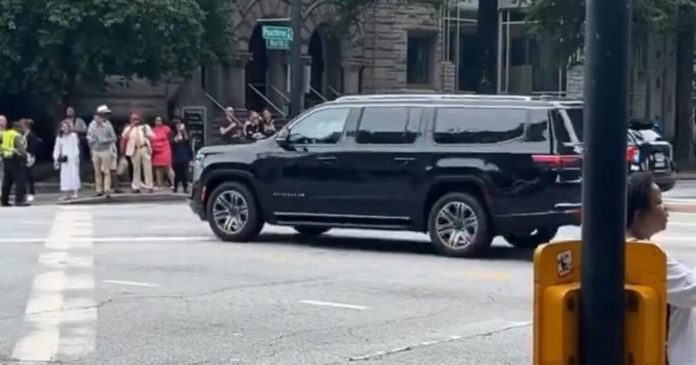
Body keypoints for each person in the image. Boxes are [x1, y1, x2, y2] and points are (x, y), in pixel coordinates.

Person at [625, 172, 695, 365]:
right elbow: (692, 290)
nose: (666, 208)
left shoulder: (620, 248)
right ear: (639, 216)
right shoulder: (646, 257)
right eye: (658, 202)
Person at [87, 107, 117, 197]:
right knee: (97, 171)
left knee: (106, 171)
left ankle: (107, 189)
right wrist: (91, 141)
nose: (96, 120)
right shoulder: (92, 125)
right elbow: (88, 136)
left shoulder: (107, 126)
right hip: (96, 150)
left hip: (105, 150)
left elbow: (114, 138)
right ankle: (99, 190)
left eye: (97, 118)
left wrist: (105, 140)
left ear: (101, 118)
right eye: (95, 118)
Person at [122, 111, 154, 193]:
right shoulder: (128, 128)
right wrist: (131, 127)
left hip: (144, 148)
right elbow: (124, 136)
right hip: (134, 149)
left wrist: (147, 135)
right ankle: (136, 187)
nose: (135, 120)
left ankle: (149, 186)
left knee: (147, 168)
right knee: (136, 169)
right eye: (133, 119)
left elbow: (153, 136)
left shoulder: (144, 127)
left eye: (136, 119)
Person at [1, 120, 28, 206]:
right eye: (20, 128)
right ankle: (18, 201)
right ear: (17, 128)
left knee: (7, 182)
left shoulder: (5, 134)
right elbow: (21, 150)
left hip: (6, 159)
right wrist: (25, 156)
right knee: (20, 181)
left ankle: (4, 201)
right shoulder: (16, 135)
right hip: (16, 160)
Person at [53, 120, 81, 200]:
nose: (64, 128)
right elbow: (57, 148)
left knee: (73, 175)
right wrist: (56, 159)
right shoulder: (60, 137)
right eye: (63, 127)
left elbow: (76, 148)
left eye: (66, 127)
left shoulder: (73, 136)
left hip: (72, 159)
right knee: (65, 176)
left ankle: (74, 192)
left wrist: (75, 157)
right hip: (64, 159)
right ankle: (67, 194)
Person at [21, 119, 42, 203]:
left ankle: (31, 193)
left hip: (29, 157)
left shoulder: (31, 135)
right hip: (24, 156)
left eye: (22, 125)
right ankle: (24, 193)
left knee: (30, 176)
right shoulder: (24, 134)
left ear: (25, 126)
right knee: (24, 176)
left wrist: (32, 157)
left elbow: (32, 147)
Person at [151, 116, 174, 188]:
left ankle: (173, 183)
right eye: (157, 120)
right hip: (156, 150)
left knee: (168, 167)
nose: (158, 122)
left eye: (159, 120)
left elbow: (171, 137)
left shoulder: (166, 128)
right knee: (158, 168)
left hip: (165, 149)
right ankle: (159, 184)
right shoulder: (152, 130)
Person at [171, 117, 192, 193]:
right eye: (177, 124)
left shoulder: (185, 132)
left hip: (184, 152)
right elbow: (174, 141)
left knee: (184, 172)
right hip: (176, 154)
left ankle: (185, 187)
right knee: (177, 172)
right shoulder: (172, 133)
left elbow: (187, 139)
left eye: (180, 123)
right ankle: (175, 187)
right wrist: (178, 132)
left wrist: (183, 131)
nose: (179, 125)